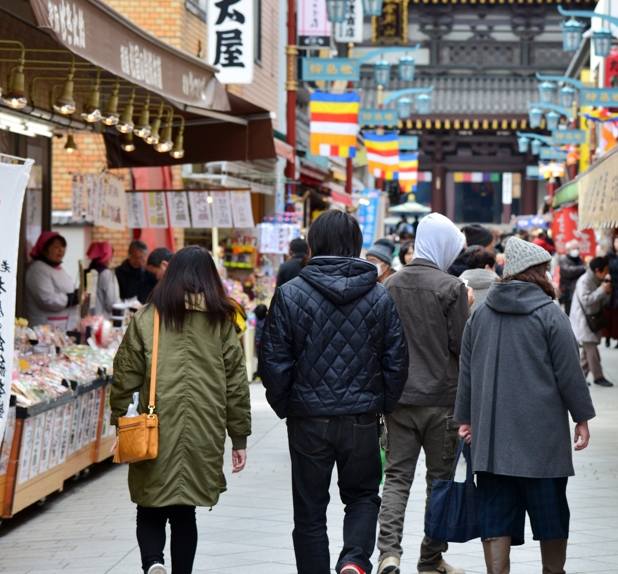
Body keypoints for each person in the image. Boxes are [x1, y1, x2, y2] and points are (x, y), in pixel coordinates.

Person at [260, 210, 408, 574]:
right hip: (361, 417)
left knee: (309, 510)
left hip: (308, 418)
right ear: (356, 245)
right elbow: (397, 361)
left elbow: (273, 361)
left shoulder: (289, 294)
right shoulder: (378, 296)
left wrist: (288, 405)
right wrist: (382, 404)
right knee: (362, 495)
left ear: (314, 243)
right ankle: (355, 560)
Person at [455, 236, 596, 574]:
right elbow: (570, 373)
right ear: (535, 273)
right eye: (545, 270)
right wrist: (581, 417)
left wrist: (465, 419)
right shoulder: (550, 315)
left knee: (495, 512)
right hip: (542, 440)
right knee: (550, 514)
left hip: (491, 438)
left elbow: (467, 371)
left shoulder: (481, 314)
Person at [109, 246, 251, 574]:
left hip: (154, 427)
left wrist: (119, 422)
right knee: (185, 512)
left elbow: (124, 376)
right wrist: (239, 437)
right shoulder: (221, 320)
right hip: (205, 427)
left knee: (149, 506)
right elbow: (236, 384)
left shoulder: (147, 317)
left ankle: (154, 562)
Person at [377, 213, 472, 574]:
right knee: (440, 483)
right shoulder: (451, 288)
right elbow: (462, 346)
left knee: (397, 479)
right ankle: (430, 559)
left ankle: (388, 553)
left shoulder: (392, 285)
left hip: (399, 401)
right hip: (442, 402)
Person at [24, 232, 83, 330]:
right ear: (44, 249)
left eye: (63, 246)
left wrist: (78, 294)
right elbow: (47, 300)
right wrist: (72, 299)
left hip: (62, 327)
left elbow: (66, 290)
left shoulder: (58, 268)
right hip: (46, 329)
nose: (61, 250)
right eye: (56, 247)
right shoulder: (38, 270)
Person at [570, 256, 613, 387]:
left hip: (591, 319)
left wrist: (606, 292)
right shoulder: (585, 280)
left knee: (587, 354)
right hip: (583, 319)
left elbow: (602, 301)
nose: (606, 273)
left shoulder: (596, 280)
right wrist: (602, 290)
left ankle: (578, 378)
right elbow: (586, 300)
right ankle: (598, 377)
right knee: (592, 351)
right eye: (605, 270)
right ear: (597, 270)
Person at [86, 241, 120, 318]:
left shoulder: (88, 272)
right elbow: (113, 302)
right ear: (107, 257)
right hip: (102, 321)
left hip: (86, 319)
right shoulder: (107, 274)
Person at [459, 248, 498, 313]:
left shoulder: (458, 285)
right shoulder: (499, 287)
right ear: (487, 267)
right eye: (493, 267)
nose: (495, 270)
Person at [557, 241, 587, 316]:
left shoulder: (579, 259)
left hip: (579, 291)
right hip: (568, 292)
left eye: (577, 248)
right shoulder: (564, 260)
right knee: (569, 313)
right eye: (573, 248)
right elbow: (568, 272)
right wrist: (582, 268)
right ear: (567, 250)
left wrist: (575, 269)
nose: (576, 250)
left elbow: (584, 269)